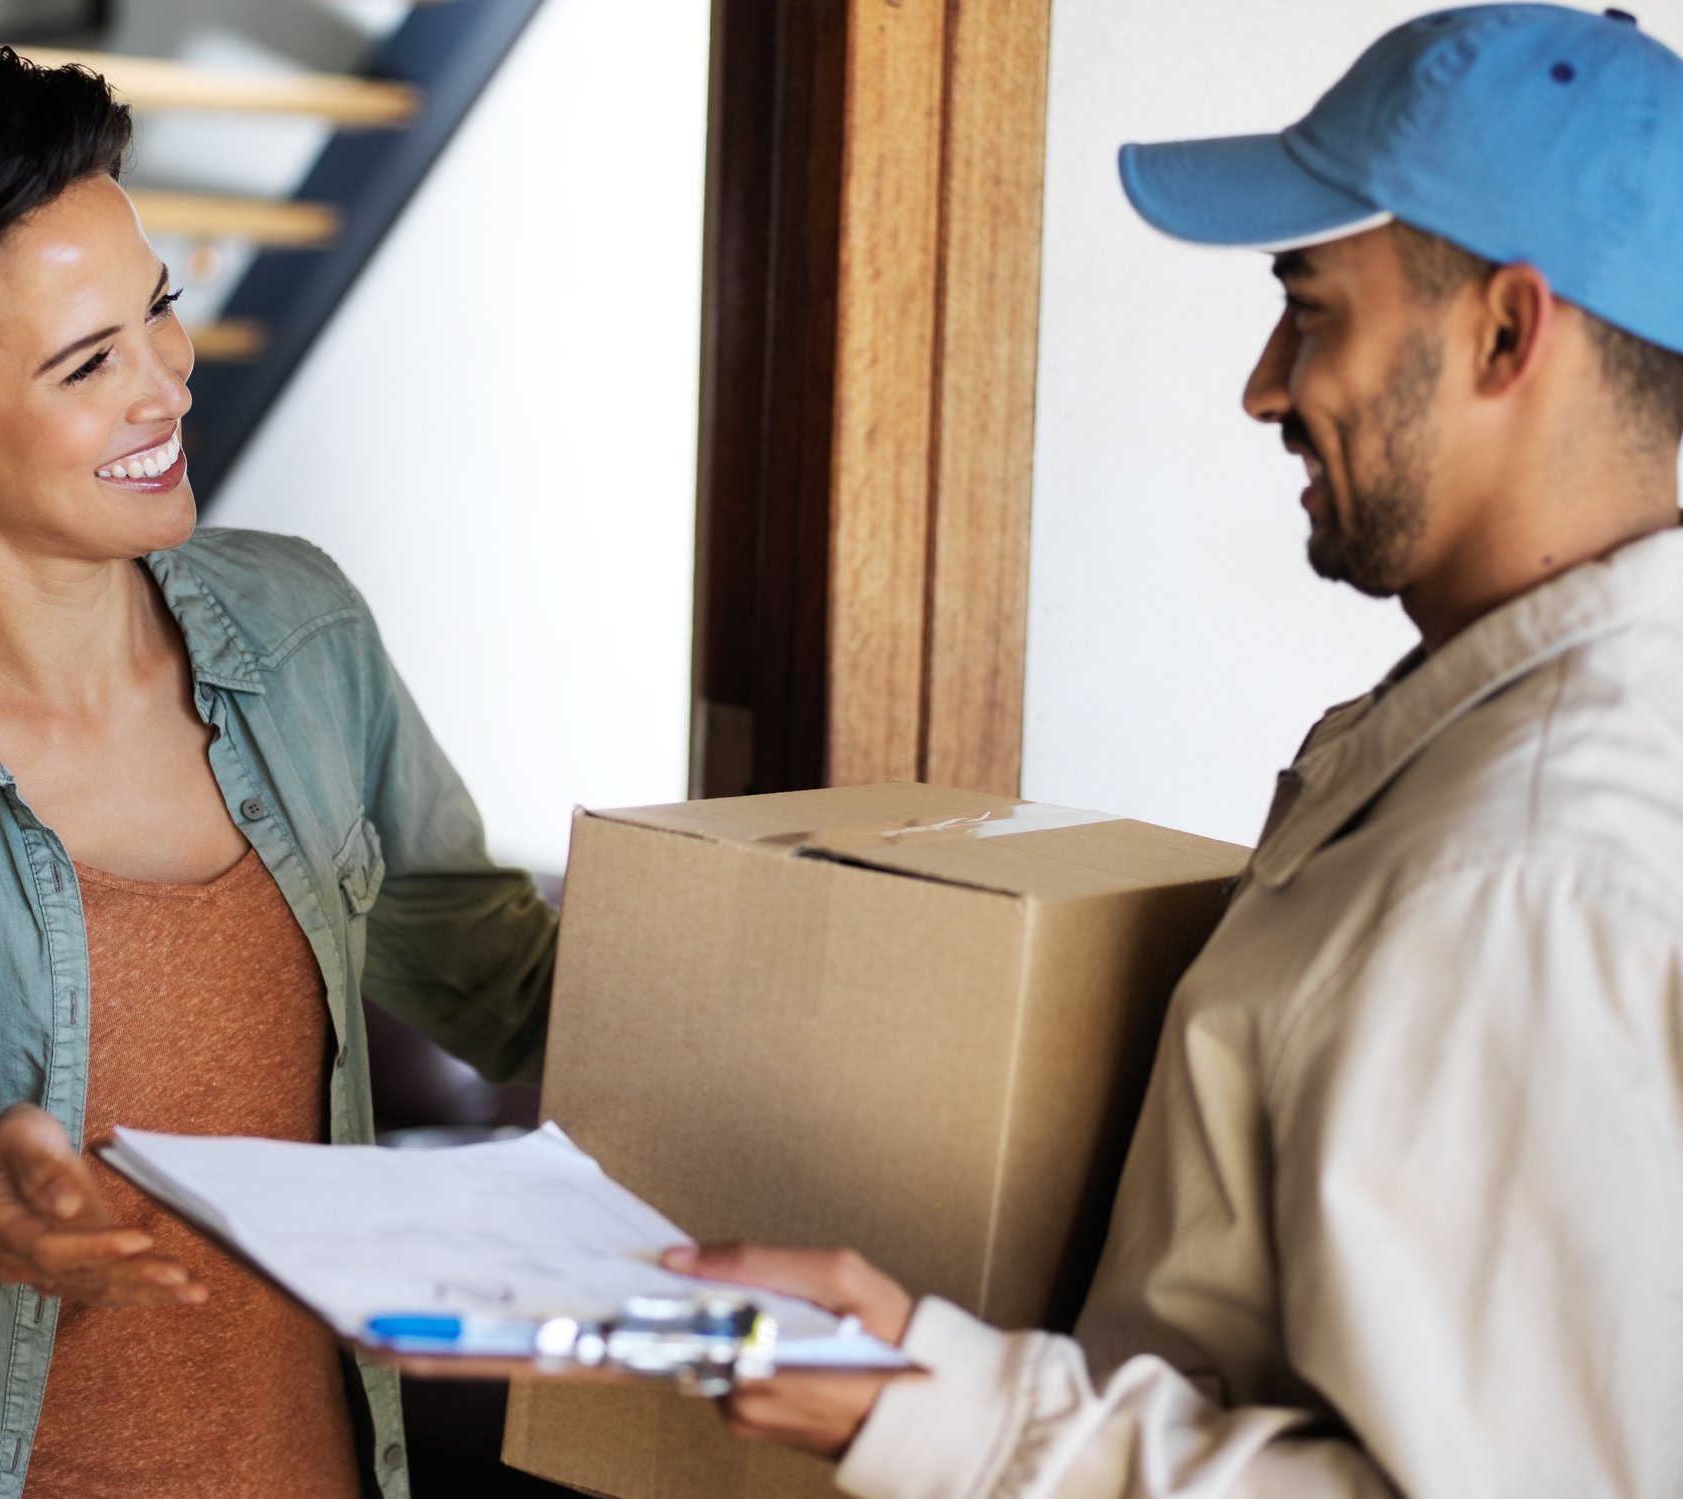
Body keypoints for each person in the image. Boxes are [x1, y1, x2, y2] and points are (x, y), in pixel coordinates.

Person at [668, 6, 1683, 1494]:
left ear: (1509, 331)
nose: (1265, 387)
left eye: (1314, 309)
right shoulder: (1518, 756)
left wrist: (929, 1407)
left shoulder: (1519, 867)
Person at [0, 47, 556, 1499]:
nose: (166, 384)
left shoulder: (307, 631)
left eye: (156, 309)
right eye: (88, 364)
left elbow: (507, 981)